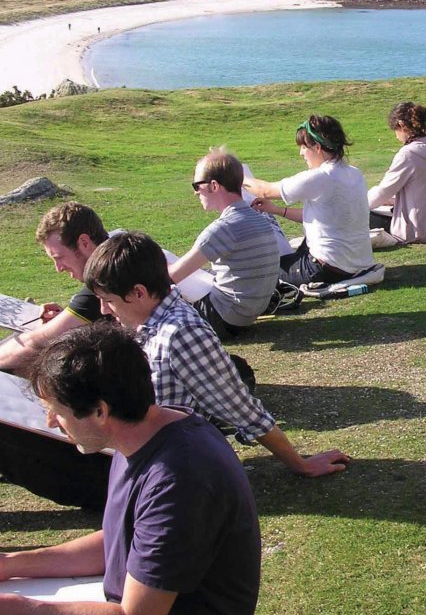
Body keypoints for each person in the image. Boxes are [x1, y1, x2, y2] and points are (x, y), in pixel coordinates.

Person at [0, 322, 261, 615]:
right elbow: (124, 539)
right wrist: (12, 564)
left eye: (56, 412)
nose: (51, 422)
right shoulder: (147, 431)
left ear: (100, 411)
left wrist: (12, 608)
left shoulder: (177, 480)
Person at [85, 231, 348, 478]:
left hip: (157, 467)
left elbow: (241, 409)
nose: (104, 309)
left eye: (107, 300)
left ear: (139, 293)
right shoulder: (148, 321)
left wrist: (300, 464)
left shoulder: (182, 334)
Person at [245, 115, 375, 286]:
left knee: (255, 273)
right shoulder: (354, 173)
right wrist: (275, 209)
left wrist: (235, 175)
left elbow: (264, 190)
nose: (301, 153)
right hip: (357, 264)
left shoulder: (320, 177)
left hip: (327, 269)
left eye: (304, 147)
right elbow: (320, 217)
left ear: (318, 147)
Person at [167, 150, 280, 341]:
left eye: (197, 185)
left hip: (225, 318)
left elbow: (170, 277)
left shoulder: (223, 228)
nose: (196, 193)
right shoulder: (259, 219)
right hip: (249, 313)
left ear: (214, 186)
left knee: (161, 261)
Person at [0, 202, 108, 376]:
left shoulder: (105, 280)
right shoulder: (119, 253)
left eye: (59, 257)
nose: (58, 268)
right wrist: (65, 318)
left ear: (84, 242)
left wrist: (61, 325)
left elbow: (35, 343)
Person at [367, 101, 426, 243]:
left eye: (395, 130)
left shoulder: (408, 154)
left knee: (364, 213)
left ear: (402, 126)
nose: (396, 136)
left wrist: (357, 203)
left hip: (420, 231)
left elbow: (382, 192)